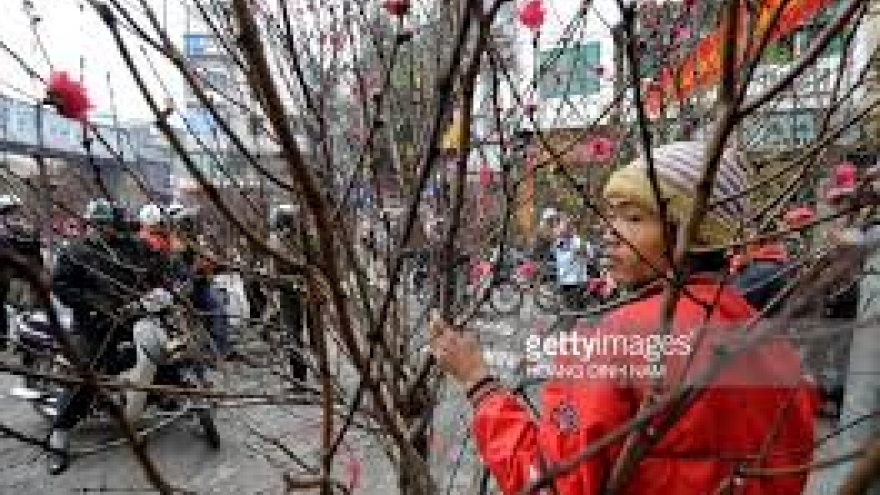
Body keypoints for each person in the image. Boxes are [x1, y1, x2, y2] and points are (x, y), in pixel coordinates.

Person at [429, 141, 816, 495]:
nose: (610, 233)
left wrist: (477, 382)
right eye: (611, 216)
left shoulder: (619, 339)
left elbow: (549, 481)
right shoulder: (772, 346)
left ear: (692, 232)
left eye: (632, 217)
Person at [47, 198, 163, 475]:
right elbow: (59, 285)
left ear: (114, 224)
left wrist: (171, 281)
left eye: (106, 224)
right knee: (89, 375)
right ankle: (59, 434)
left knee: (159, 348)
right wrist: (93, 301)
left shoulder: (129, 246)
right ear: (88, 224)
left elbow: (159, 263)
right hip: (92, 324)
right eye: (96, 224)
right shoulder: (75, 252)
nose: (102, 229)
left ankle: (159, 398)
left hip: (130, 316)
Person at [267, 204, 310, 387]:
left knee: (295, 334)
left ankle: (302, 378)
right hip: (290, 293)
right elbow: (274, 275)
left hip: (300, 292)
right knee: (293, 335)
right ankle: (300, 378)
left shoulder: (299, 240)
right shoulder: (279, 240)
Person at [0, 194, 44, 346]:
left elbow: (37, 261)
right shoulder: (3, 236)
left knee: (23, 314)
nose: (14, 215)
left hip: (23, 286)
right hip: (8, 286)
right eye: (9, 212)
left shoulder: (27, 234)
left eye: (16, 211)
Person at [553, 215, 598, 310]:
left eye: (566, 228)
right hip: (564, 282)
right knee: (568, 309)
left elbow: (590, 256)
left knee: (577, 311)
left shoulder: (579, 242)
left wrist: (582, 252)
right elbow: (557, 258)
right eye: (561, 228)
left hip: (577, 283)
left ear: (571, 229)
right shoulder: (558, 242)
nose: (562, 231)